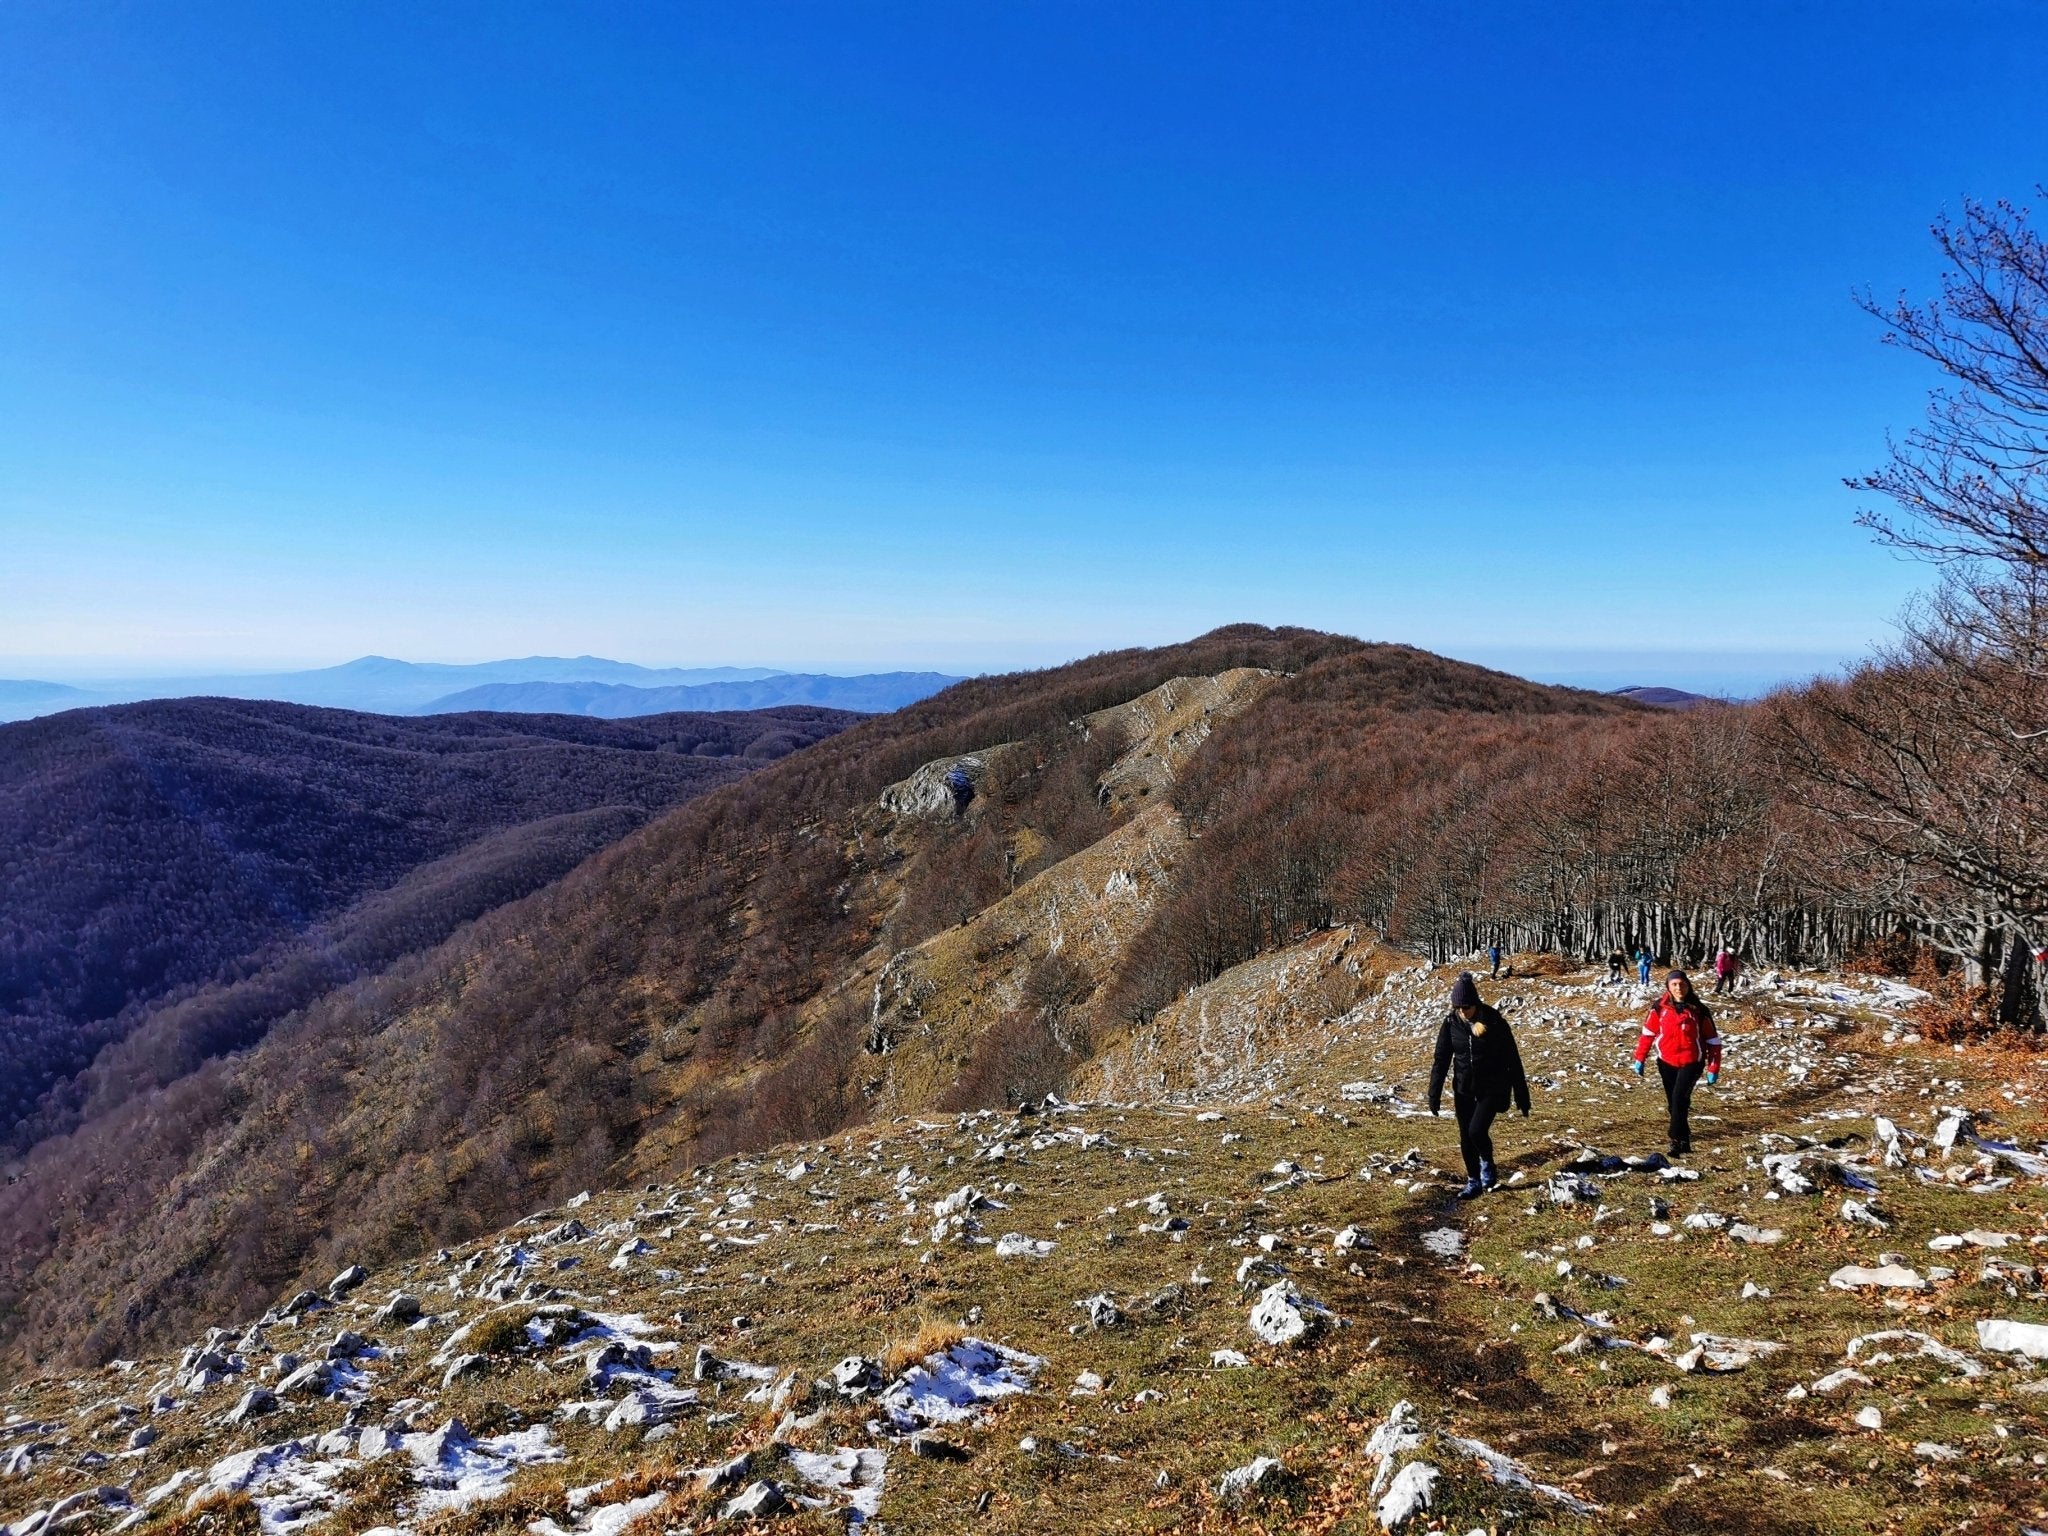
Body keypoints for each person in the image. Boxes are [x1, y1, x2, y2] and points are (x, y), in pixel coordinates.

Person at [1428, 973, 1531, 1199]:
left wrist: (1522, 1096)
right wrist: (1433, 1094)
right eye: (1458, 1008)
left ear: (1475, 1003)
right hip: (1464, 1088)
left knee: (1477, 1130)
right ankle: (1473, 1181)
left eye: (1466, 1007)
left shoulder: (1494, 1022)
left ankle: (1487, 1163)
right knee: (1466, 1137)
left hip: (1492, 1088)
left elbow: (1513, 1060)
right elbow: (1441, 1059)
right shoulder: (1451, 1024)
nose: (1463, 1012)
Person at [1631, 969, 1722, 1156]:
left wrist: (1714, 1067)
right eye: (1674, 984)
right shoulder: (1659, 1008)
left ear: (1688, 986)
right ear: (1668, 987)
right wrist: (1640, 1058)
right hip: (1666, 1062)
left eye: (1682, 984)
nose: (1678, 988)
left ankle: (1674, 1140)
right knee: (1674, 1104)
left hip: (1692, 1062)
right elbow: (1648, 1034)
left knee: (1679, 1099)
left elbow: (1713, 1040)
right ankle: (1685, 1140)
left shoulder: (1699, 1010)